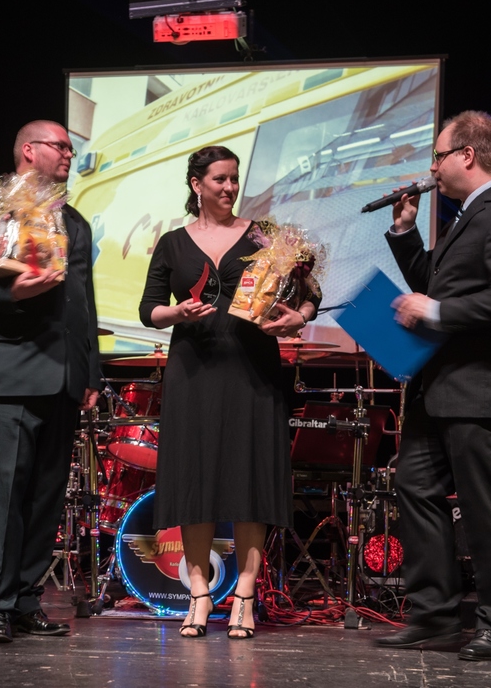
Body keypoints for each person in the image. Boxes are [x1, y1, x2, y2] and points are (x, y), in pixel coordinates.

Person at [374, 111, 491, 660]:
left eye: (438, 156)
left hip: (479, 389)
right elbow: (436, 283)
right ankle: (434, 616)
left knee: (484, 506)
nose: (432, 169)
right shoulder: (467, 217)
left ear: (467, 154)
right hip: (438, 386)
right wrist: (405, 232)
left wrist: (437, 311)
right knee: (414, 488)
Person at [139, 145, 321, 639]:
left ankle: (244, 595)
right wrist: (177, 313)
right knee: (194, 481)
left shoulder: (266, 236)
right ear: (196, 184)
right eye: (219, 179)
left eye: (234, 178)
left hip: (252, 369)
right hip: (193, 371)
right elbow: (149, 309)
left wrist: (298, 317)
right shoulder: (173, 243)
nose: (229, 187)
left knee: (249, 480)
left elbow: (310, 293)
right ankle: (198, 594)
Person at [0, 120, 101, 643]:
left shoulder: (73, 220)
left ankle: (26, 599)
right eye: (62, 146)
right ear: (29, 150)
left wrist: (91, 371)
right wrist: (12, 294)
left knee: (45, 499)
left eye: (72, 148)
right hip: (11, 371)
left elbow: (83, 302)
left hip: (65, 377)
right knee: (4, 495)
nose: (69, 155)